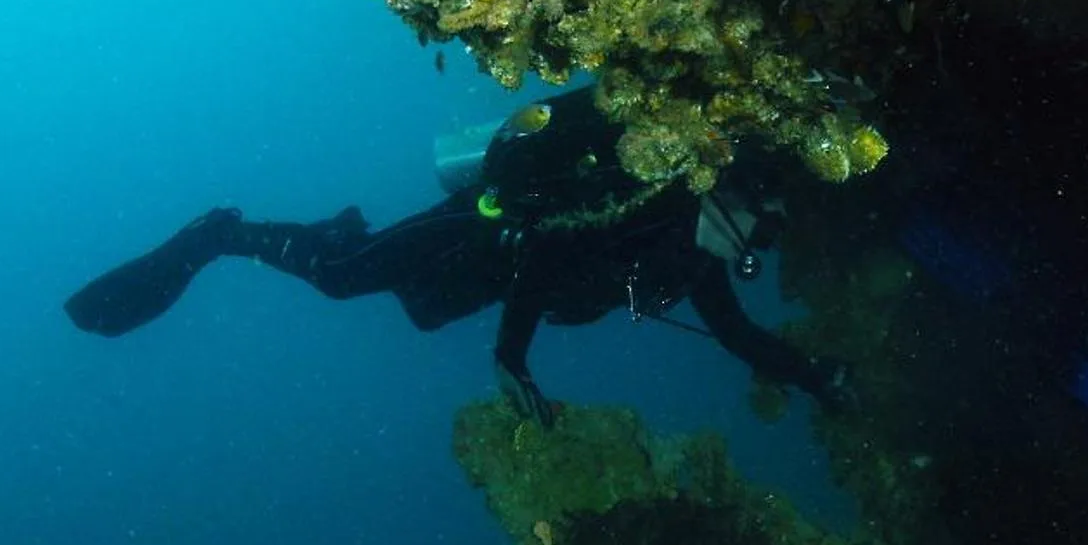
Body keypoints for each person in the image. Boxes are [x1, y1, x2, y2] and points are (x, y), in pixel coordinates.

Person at [63, 88, 850, 426]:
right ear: (726, 196)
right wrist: (514, 360)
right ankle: (222, 234)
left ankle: (340, 229)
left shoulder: (696, 264)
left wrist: (821, 380)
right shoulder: (651, 203)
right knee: (341, 281)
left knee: (418, 312)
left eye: (769, 240)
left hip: (485, 278)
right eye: (759, 225)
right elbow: (545, 260)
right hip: (472, 231)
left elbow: (741, 336)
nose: (756, 248)